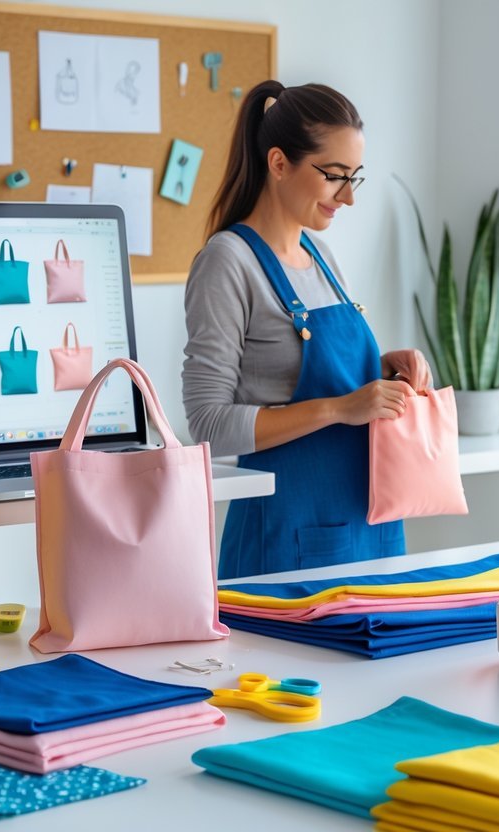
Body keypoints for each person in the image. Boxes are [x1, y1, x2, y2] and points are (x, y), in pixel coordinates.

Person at [182, 80, 432, 579]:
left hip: (369, 530)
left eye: (354, 178)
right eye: (334, 176)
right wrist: (341, 407)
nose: (348, 197)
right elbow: (208, 423)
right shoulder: (228, 262)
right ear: (279, 163)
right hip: (286, 540)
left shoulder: (321, 258)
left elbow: (297, 368)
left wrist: (381, 372)